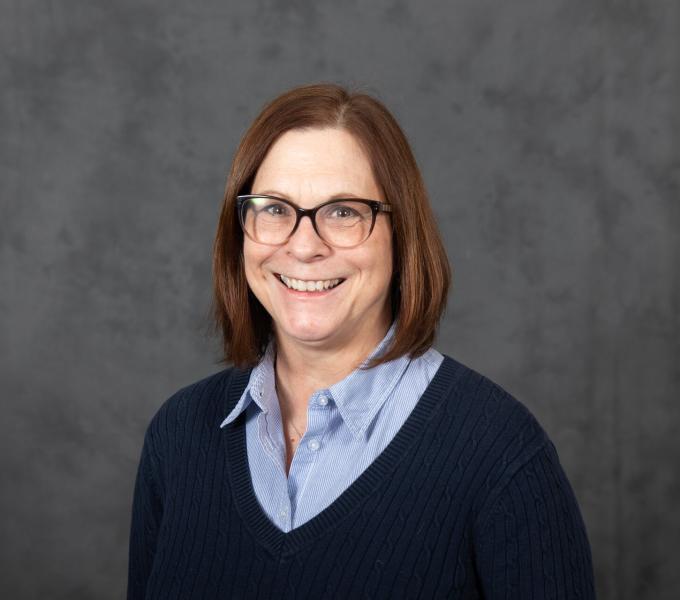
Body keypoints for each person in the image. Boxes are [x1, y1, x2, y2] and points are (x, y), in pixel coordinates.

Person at [127, 83, 596, 599]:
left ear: (402, 234)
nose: (304, 246)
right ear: (239, 230)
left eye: (344, 212)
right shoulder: (178, 438)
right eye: (276, 209)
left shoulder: (500, 455)